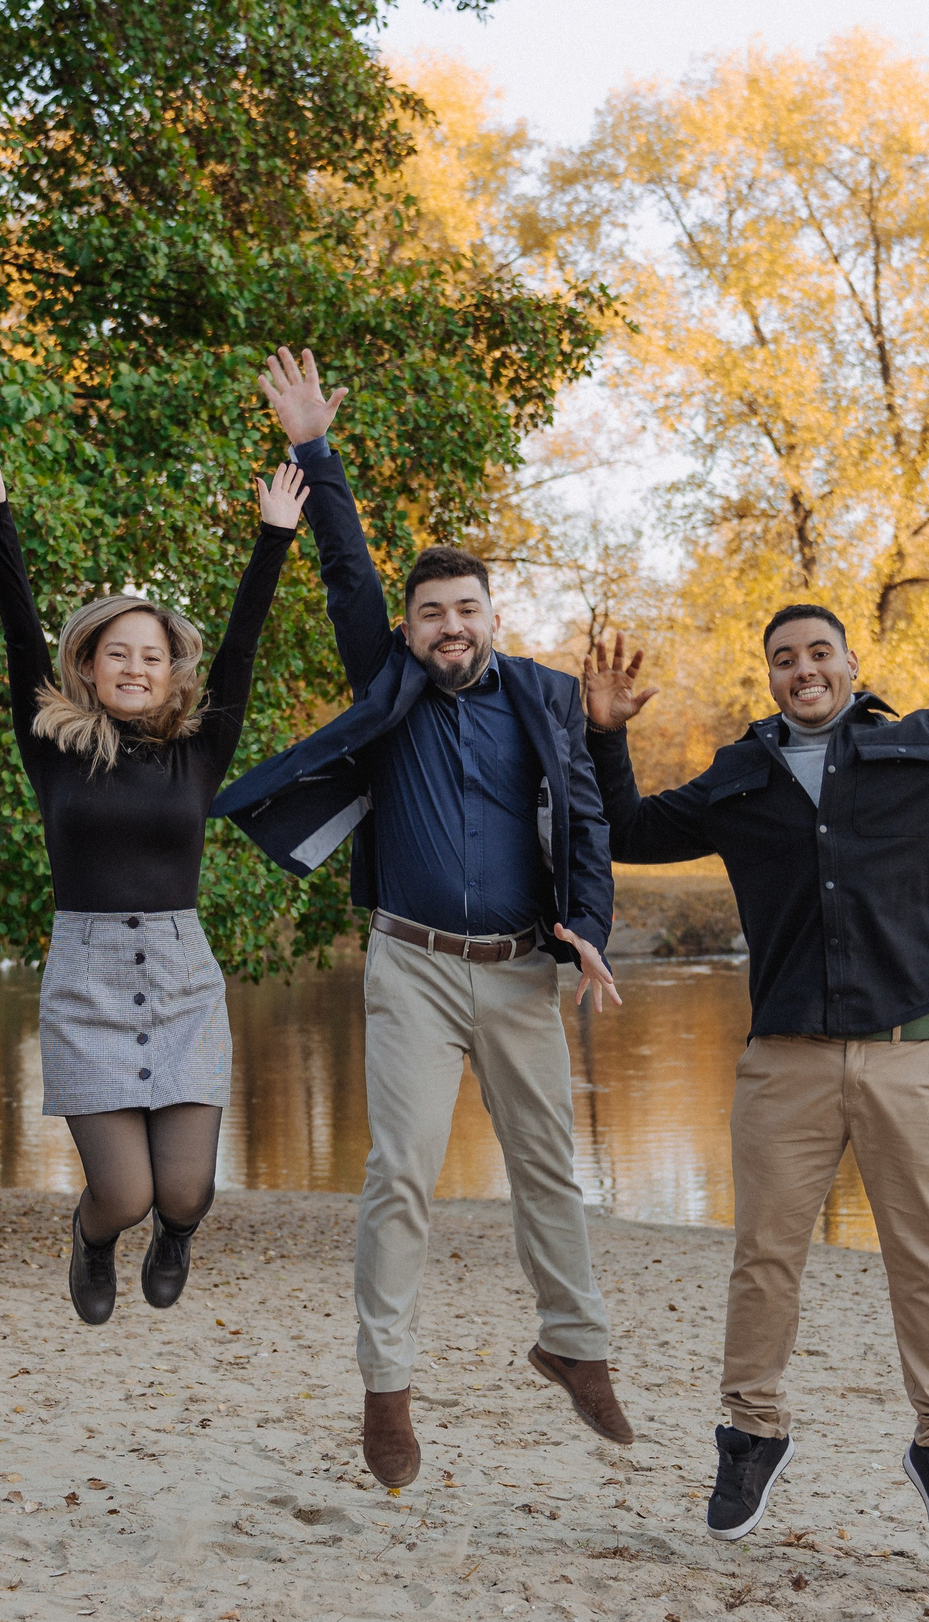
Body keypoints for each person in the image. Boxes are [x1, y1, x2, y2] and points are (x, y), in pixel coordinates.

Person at [578, 544, 929, 1559]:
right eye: (783, 658)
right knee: (763, 1259)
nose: (802, 669)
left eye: (819, 651)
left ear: (851, 667)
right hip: (785, 1062)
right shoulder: (741, 781)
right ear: (768, 676)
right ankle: (750, 1433)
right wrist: (603, 737)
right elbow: (629, 828)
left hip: (910, 1055)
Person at [216, 348, 633, 1490]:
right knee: (399, 1169)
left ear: (495, 615)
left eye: (466, 609)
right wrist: (314, 446)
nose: (449, 625)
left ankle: (573, 1344)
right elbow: (345, 568)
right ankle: (386, 1385)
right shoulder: (389, 682)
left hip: (516, 971)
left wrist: (588, 920)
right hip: (408, 962)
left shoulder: (546, 699)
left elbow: (588, 822)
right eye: (431, 613)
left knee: (549, 1161)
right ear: (408, 629)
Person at [0, 440, 304, 1324]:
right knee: (125, 1194)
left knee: (183, 1197)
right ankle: (93, 1238)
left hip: (183, 982)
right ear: (88, 666)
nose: (136, 668)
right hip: (87, 982)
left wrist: (275, 539)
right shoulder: (53, 746)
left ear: (170, 670)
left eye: (151, 656)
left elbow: (243, 645)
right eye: (118, 654)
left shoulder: (199, 751)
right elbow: (15, 627)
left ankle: (177, 1236)